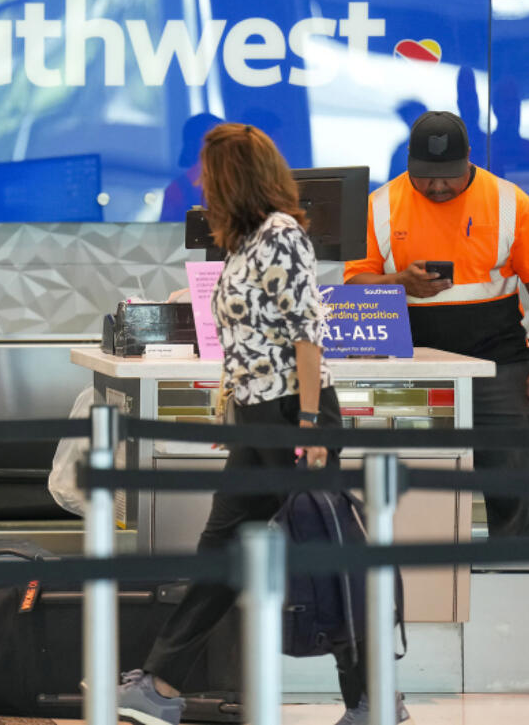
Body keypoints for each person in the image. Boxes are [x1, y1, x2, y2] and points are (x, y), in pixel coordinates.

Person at [117, 124, 406, 725]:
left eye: (208, 172)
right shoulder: (245, 242)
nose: (199, 182)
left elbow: (307, 333)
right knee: (222, 547)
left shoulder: (282, 236)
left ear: (233, 178)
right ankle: (162, 684)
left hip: (292, 415)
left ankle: (373, 698)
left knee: (326, 553)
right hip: (259, 417)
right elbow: (247, 341)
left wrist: (305, 426)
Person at [345, 110, 529, 538]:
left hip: (498, 365)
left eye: (449, 174)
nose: (439, 185)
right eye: (427, 176)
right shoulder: (380, 205)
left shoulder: (508, 200)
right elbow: (357, 282)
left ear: (469, 158)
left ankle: (516, 575)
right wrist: (398, 282)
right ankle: (421, 589)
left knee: (513, 485)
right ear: (408, 161)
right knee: (412, 491)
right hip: (408, 370)